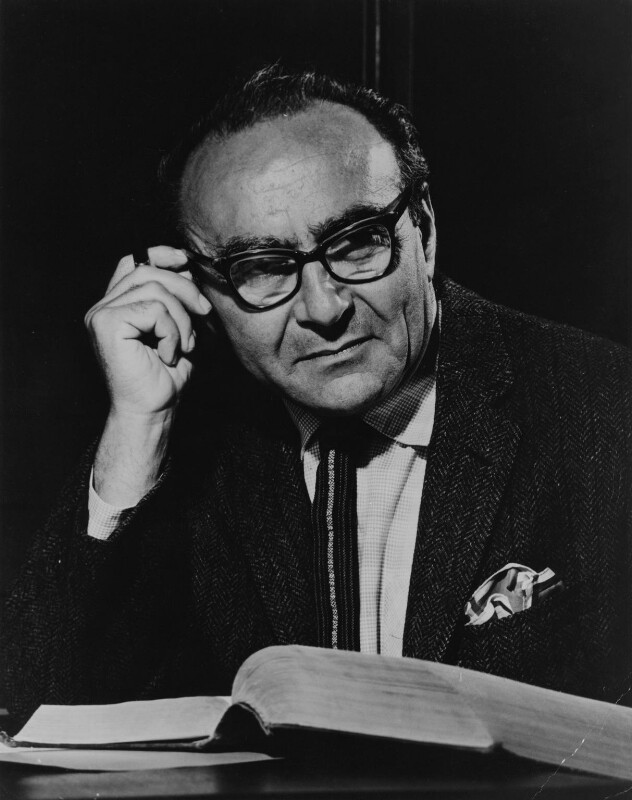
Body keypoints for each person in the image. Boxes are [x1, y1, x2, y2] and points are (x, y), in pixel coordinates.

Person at [2, 66, 631, 723]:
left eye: (357, 243)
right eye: (262, 269)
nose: (325, 309)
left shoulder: (608, 409)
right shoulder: (193, 447)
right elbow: (27, 713)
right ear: (199, 289)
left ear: (423, 230)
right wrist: (138, 427)